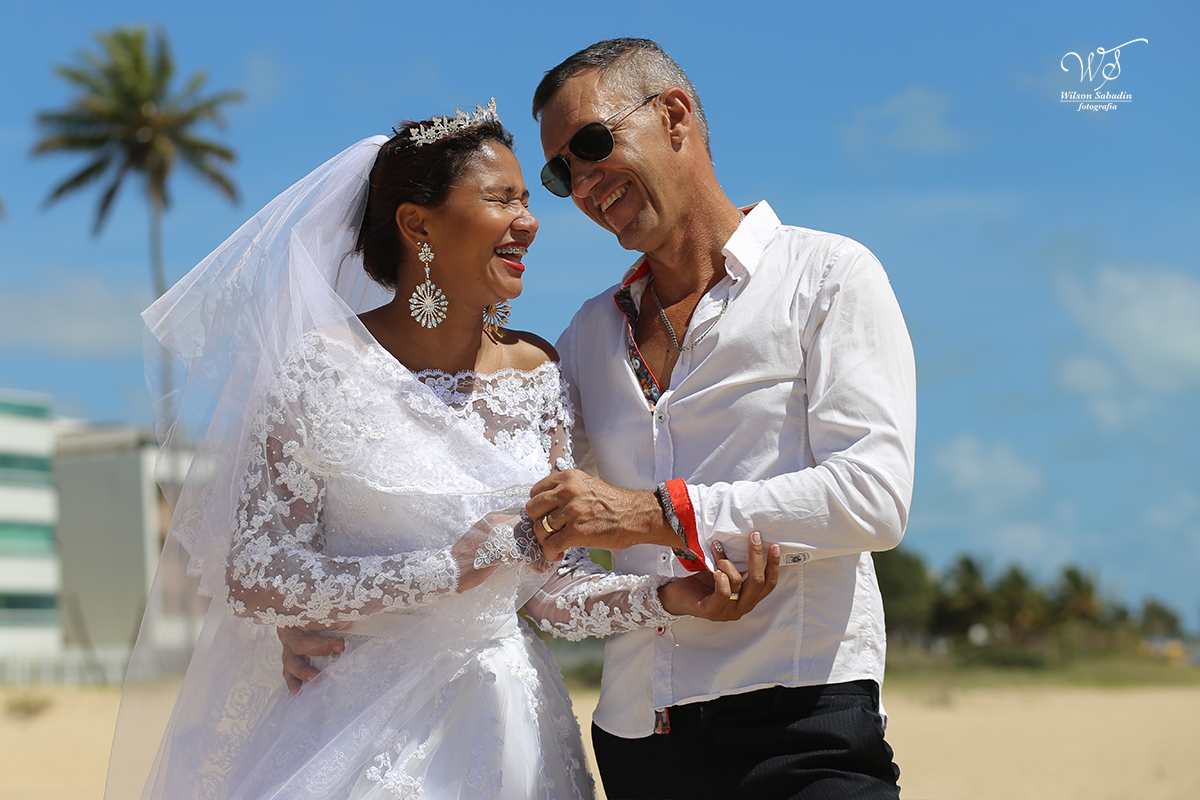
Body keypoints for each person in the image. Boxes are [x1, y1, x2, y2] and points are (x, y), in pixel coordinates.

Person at [107, 102, 779, 800]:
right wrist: (445, 568)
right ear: (416, 224)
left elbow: (553, 589)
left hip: (513, 733)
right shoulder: (321, 368)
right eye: (500, 199)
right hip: (354, 728)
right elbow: (257, 571)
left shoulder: (540, 372)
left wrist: (671, 596)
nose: (530, 220)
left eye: (527, 200)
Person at [521, 39, 918, 799]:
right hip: (638, 740)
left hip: (801, 723)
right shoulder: (581, 339)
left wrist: (652, 515)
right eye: (559, 170)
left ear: (674, 116)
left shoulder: (829, 277)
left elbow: (873, 497)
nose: (581, 182)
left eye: (592, 145)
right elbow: (544, 551)